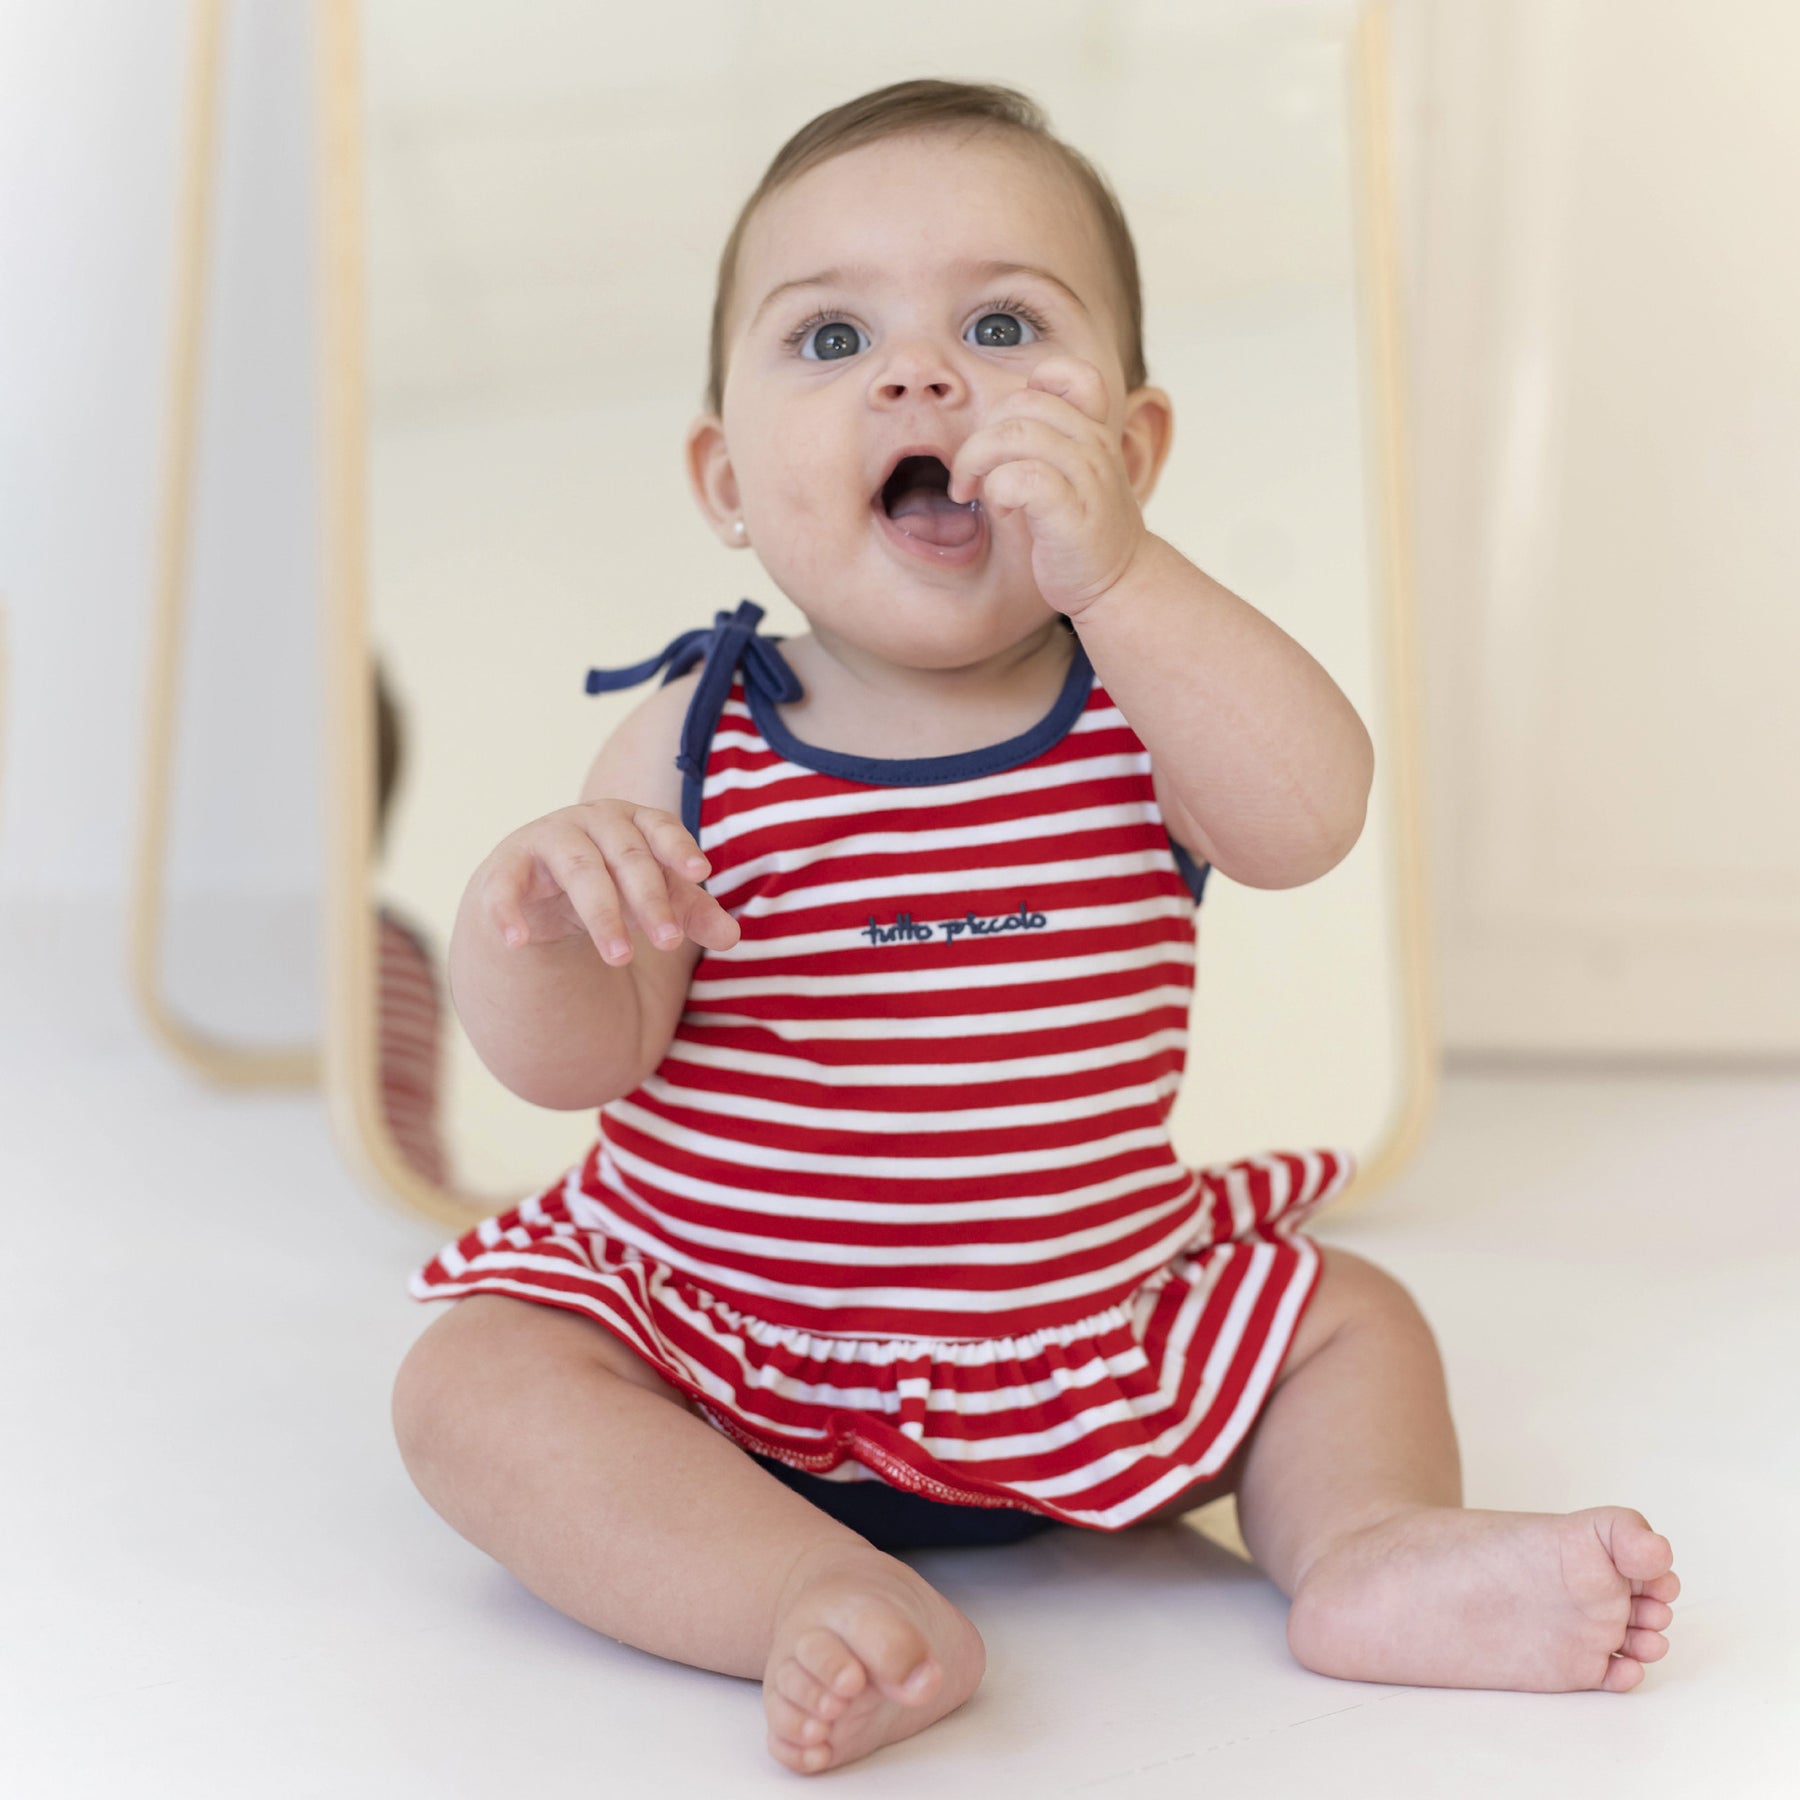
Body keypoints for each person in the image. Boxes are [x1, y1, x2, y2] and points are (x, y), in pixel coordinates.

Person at [390, 79, 1680, 1777]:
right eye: (832, 337)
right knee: (473, 1383)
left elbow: (1309, 820)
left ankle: (1365, 1546)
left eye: (1001, 326)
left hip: (1087, 1340)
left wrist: (1125, 577)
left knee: (1351, 1316)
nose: (922, 376)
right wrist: (538, 930)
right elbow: (582, 1067)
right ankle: (800, 1591)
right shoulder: (695, 738)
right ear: (726, 480)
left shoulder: (1147, 704)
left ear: (1130, 453)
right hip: (717, 1353)